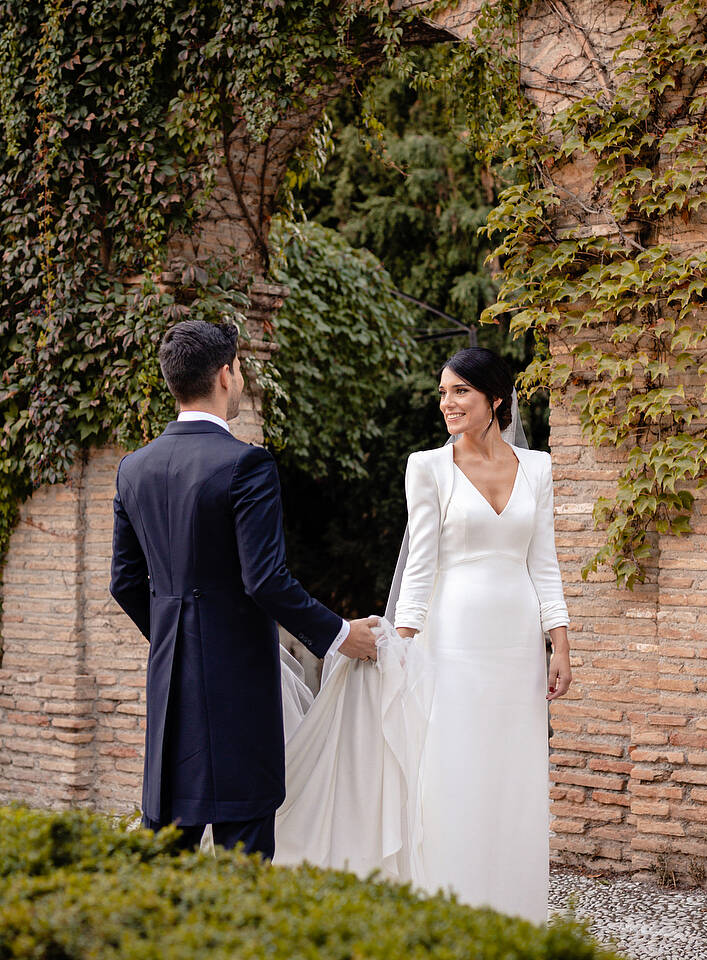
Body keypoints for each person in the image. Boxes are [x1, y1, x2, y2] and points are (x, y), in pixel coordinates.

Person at [275, 346, 572, 926]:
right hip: (452, 640)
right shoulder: (426, 467)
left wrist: (559, 644)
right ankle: (449, 909)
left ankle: (515, 916)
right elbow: (420, 569)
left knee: (512, 777)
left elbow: (545, 565)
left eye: (460, 391)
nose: (447, 403)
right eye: (443, 392)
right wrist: (401, 645)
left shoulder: (538, 468)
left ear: (494, 398)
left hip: (517, 648)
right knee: (452, 773)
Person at [109, 319, 379, 861]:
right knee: (245, 850)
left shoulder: (133, 468)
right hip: (238, 686)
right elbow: (265, 580)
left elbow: (124, 582)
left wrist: (172, 634)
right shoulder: (246, 464)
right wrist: (340, 633)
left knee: (168, 846)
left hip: (170, 680)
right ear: (227, 375)